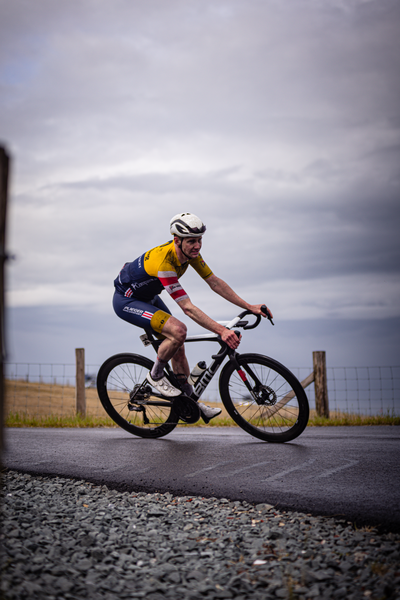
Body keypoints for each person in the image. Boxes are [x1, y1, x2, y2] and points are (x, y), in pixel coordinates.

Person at [113, 213, 273, 421]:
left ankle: (189, 401)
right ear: (177, 241)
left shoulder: (190, 255)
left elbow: (214, 282)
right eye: (191, 242)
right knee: (179, 330)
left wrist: (249, 306)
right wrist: (222, 331)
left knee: (179, 347)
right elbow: (187, 308)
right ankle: (155, 376)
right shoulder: (165, 263)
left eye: (199, 241)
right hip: (127, 301)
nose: (197, 246)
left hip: (148, 298)